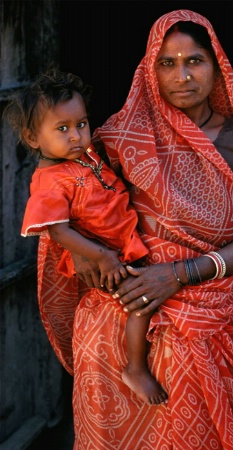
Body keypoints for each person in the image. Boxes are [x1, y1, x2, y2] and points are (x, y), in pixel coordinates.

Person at [23, 10, 233, 450]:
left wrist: (181, 274)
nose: (182, 75)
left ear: (218, 65)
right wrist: (82, 252)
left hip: (207, 312)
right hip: (118, 310)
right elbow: (68, 198)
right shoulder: (117, 136)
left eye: (195, 60)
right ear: (149, 70)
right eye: (167, 63)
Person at [4, 66, 169, 405]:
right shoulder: (49, 181)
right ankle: (135, 368)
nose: (77, 135)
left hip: (121, 245)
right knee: (139, 304)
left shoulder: (82, 156)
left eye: (80, 124)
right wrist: (101, 255)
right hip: (108, 256)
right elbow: (58, 231)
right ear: (34, 139)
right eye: (62, 129)